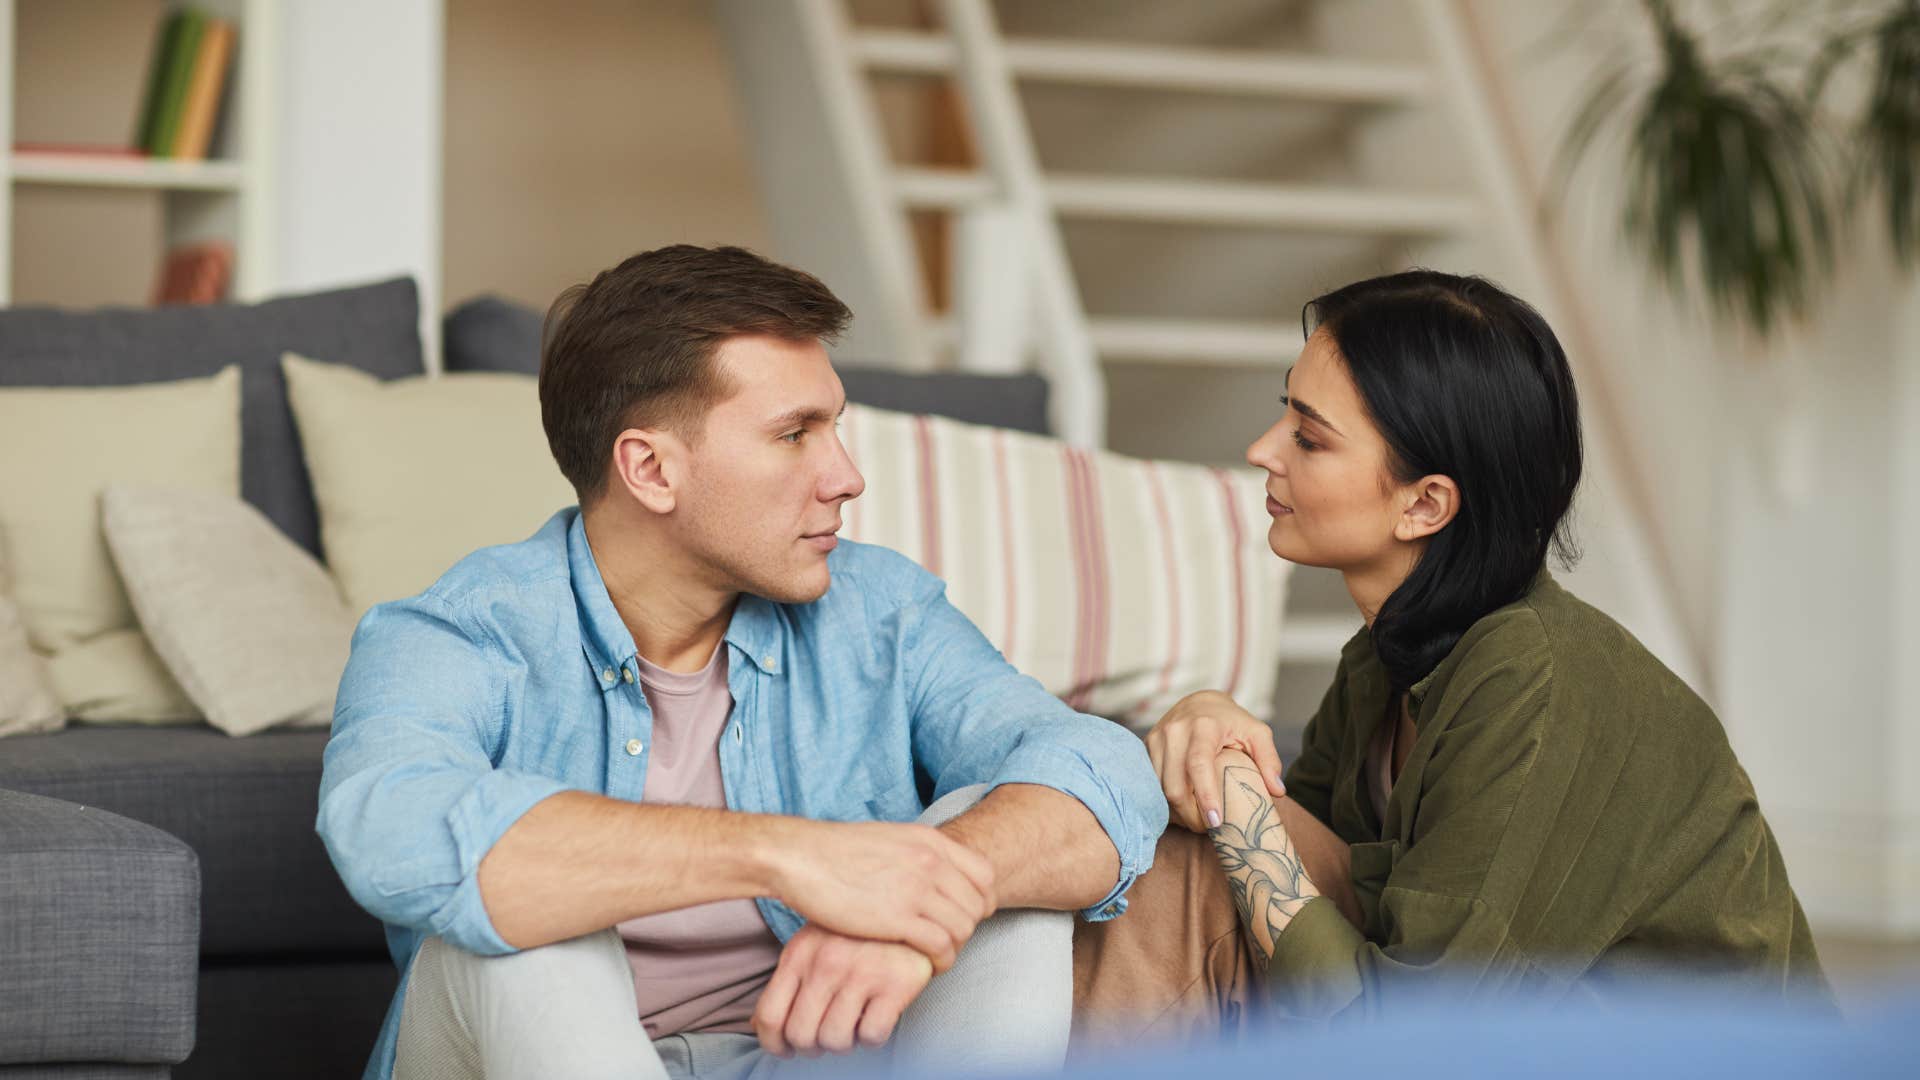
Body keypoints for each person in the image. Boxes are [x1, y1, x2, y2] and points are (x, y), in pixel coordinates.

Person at [316, 244, 1166, 1080]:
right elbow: (385, 829)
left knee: (987, 846)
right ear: (650, 469)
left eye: (834, 428)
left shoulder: (882, 613)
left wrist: (923, 901)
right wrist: (789, 856)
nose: (847, 476)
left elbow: (1100, 768)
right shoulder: (456, 633)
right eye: (795, 434)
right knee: (528, 916)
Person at [1074, 269, 1829, 1039]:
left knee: (1202, 850)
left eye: (1308, 436)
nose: (1263, 451)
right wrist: (1209, 723)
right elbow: (1293, 866)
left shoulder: (1534, 680)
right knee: (1185, 845)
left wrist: (1229, 801)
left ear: (1425, 503)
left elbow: (1411, 1035)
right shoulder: (1385, 658)